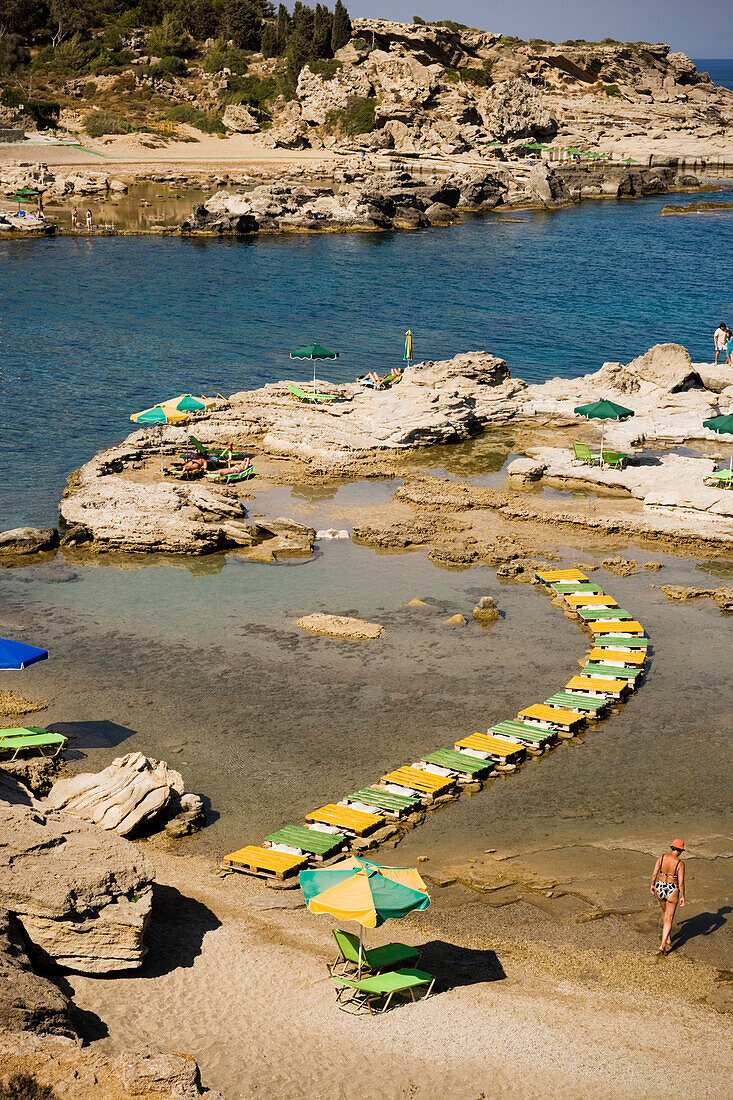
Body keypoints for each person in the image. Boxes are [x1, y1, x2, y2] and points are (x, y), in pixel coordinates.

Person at [650, 839, 686, 953]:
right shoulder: (680, 863)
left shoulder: (661, 857)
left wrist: (652, 884)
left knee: (665, 913)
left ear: (672, 848)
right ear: (680, 851)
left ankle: (668, 938)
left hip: (660, 886)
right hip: (672, 889)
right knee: (669, 917)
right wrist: (683, 896)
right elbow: (680, 883)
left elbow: (654, 873)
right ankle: (662, 945)